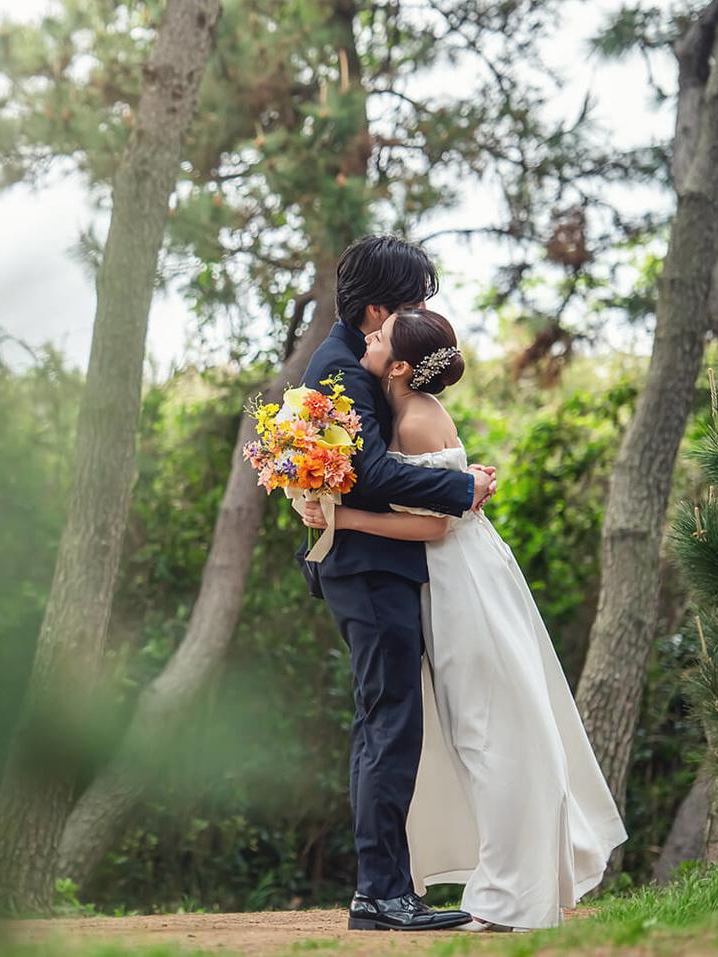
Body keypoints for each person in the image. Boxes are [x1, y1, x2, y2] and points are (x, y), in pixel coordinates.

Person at [301, 306, 627, 931]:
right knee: (477, 733)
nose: (365, 338)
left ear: (397, 366)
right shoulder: (399, 410)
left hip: (462, 586)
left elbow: (433, 523)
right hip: (443, 582)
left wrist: (342, 519)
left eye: (379, 337)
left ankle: (511, 896)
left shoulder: (418, 418)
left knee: (489, 734)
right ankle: (505, 886)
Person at [296, 235, 496, 932]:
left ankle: (379, 890)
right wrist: (458, 486)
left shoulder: (348, 359)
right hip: (370, 570)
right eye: (410, 302)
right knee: (389, 726)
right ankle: (383, 893)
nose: (415, 315)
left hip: (369, 568)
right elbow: (372, 474)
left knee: (381, 723)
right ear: (377, 305)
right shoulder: (345, 370)